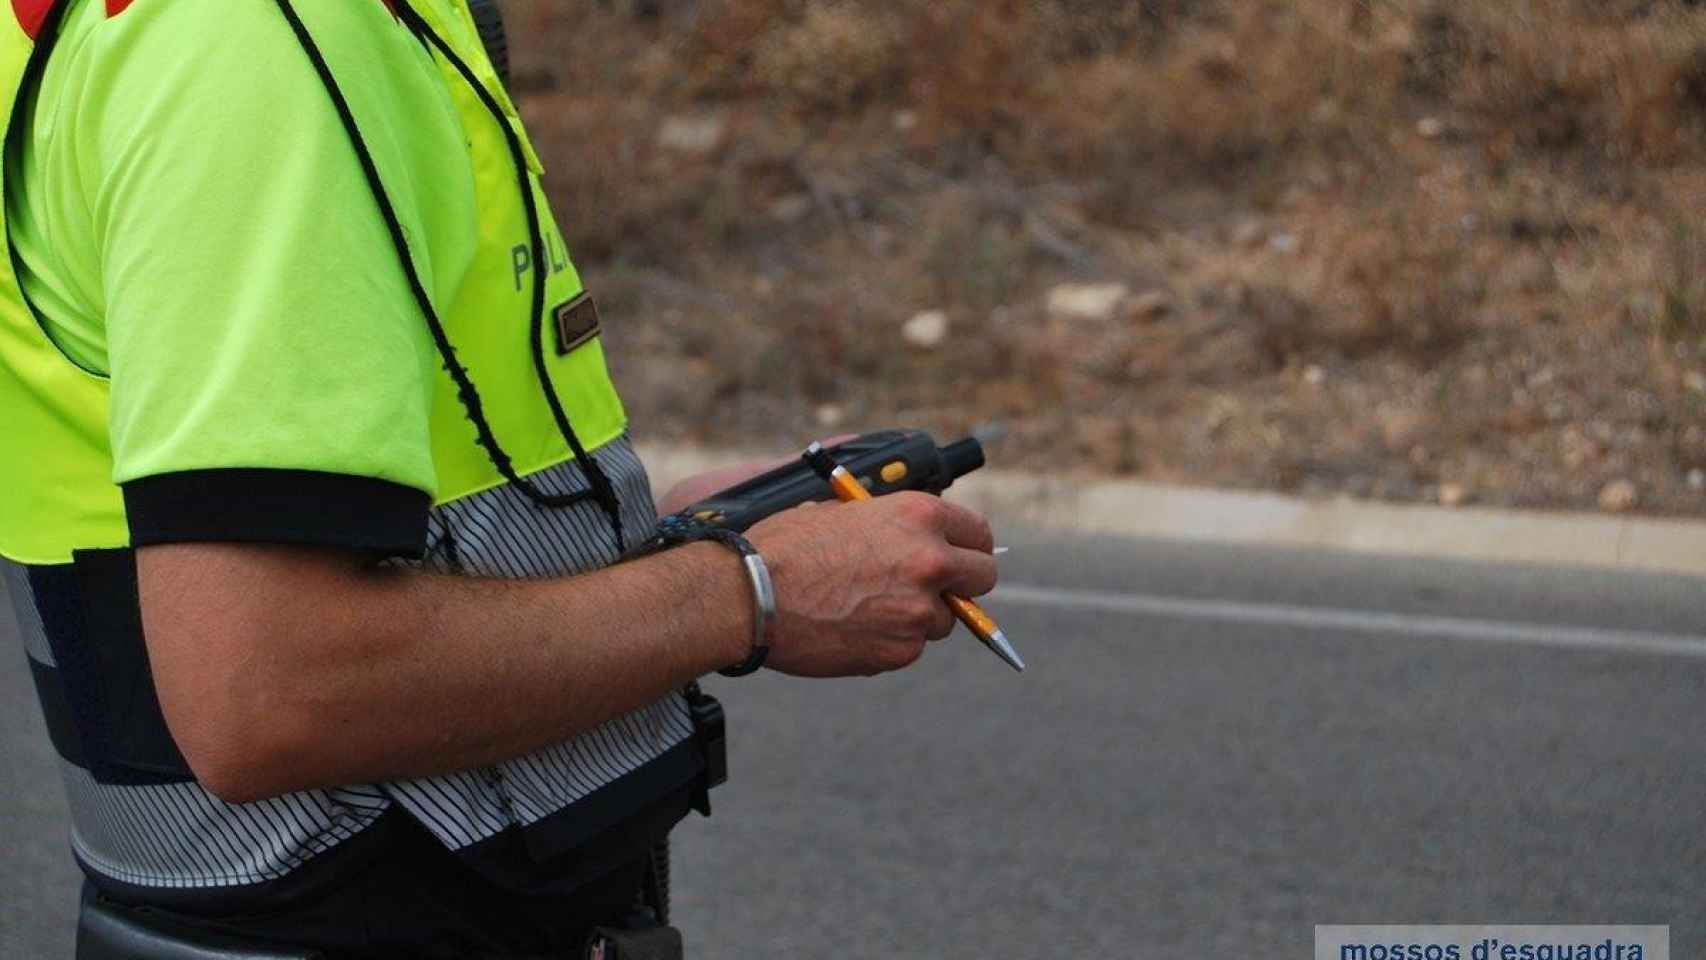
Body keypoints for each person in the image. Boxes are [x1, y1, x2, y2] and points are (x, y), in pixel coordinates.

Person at [0, 0, 999, 956]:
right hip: (368, 916)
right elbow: (269, 687)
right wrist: (750, 590)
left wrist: (659, 534)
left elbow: (300, 492)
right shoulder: (258, 40)